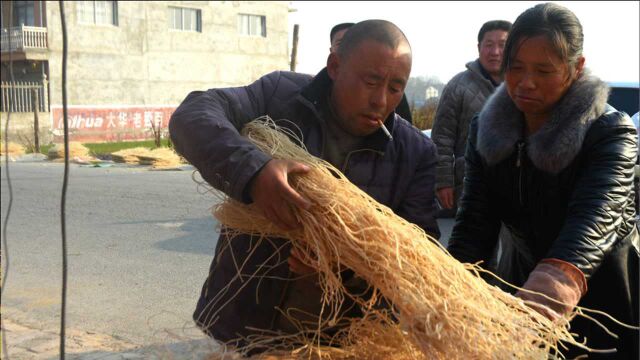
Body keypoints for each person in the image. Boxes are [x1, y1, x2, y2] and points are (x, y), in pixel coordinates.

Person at [169, 19, 440, 352]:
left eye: (396, 87)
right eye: (371, 81)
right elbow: (194, 114)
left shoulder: (414, 153)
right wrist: (256, 173)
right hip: (242, 326)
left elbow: (413, 265)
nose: (381, 101)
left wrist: (342, 269)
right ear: (335, 66)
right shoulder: (280, 96)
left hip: (337, 341)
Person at [447, 3, 639, 359]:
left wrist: (551, 287)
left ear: (576, 68)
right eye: (515, 68)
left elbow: (593, 219)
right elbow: (474, 223)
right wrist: (448, 292)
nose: (526, 82)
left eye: (544, 70)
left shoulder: (610, 132)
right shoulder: (485, 131)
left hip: (599, 289)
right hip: (522, 278)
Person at [431, 20, 511, 215]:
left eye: (502, 45)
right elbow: (441, 139)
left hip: (515, 184)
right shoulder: (458, 86)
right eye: (489, 45)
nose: (495, 51)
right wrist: (443, 182)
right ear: (479, 47)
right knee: (472, 241)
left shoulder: (524, 85)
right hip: (468, 184)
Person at [330, 22, 414, 124]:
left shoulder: (407, 139)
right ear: (334, 66)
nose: (380, 102)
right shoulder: (305, 124)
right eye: (370, 83)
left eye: (394, 89)